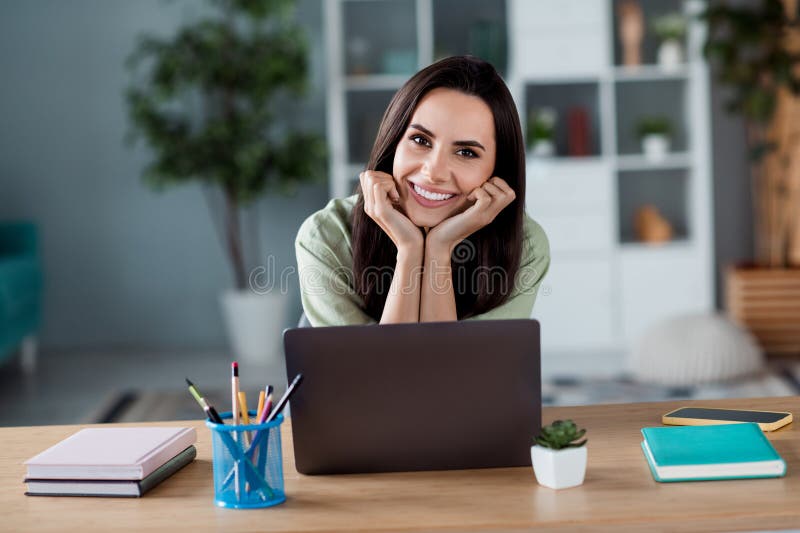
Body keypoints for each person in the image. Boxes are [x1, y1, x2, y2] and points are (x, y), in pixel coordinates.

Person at [296, 55, 549, 326]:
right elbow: (379, 369)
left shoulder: (525, 245)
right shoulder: (327, 235)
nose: (434, 172)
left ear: (496, 172)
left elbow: (450, 369)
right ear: (394, 143)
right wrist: (409, 249)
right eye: (420, 140)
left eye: (466, 152)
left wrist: (440, 249)